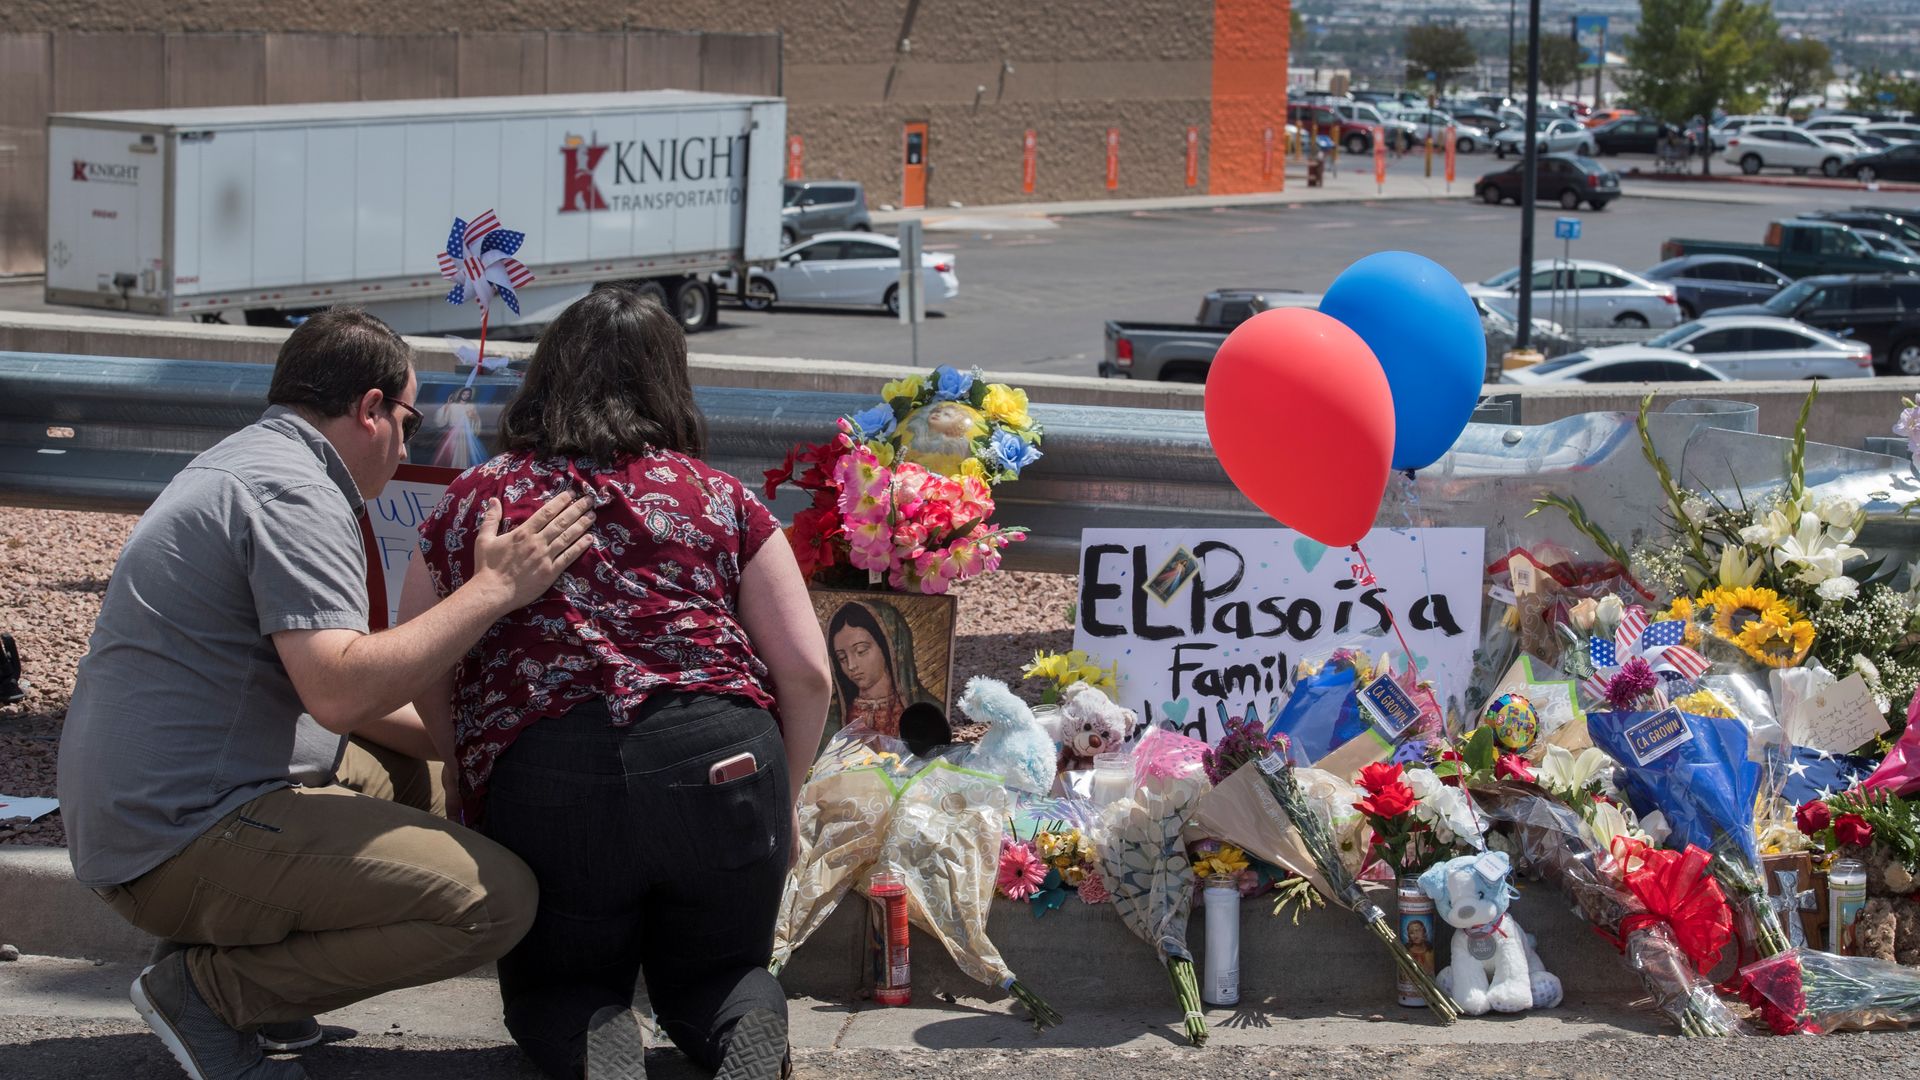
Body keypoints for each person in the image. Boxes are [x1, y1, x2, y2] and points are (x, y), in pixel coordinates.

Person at [57, 307, 596, 1080]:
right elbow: (341, 693)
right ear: (370, 409)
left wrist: (477, 745)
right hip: (175, 837)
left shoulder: (251, 460)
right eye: (407, 420)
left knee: (419, 776)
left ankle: (238, 962)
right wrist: (496, 589)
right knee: (497, 901)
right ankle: (213, 990)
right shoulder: (296, 492)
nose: (407, 446)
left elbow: (349, 698)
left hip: (146, 810)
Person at [407, 286, 831, 1080]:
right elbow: (807, 673)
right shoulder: (720, 496)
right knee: (724, 973)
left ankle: (595, 1040)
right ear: (669, 382)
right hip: (724, 759)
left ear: (547, 376)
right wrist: (789, 792)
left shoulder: (477, 500)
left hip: (551, 773)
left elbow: (424, 657)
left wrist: (466, 769)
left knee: (561, 982)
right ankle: (744, 1032)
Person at [824, 599, 940, 741]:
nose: (851, 665)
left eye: (861, 651)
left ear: (888, 648)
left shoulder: (931, 713)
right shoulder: (828, 721)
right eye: (842, 658)